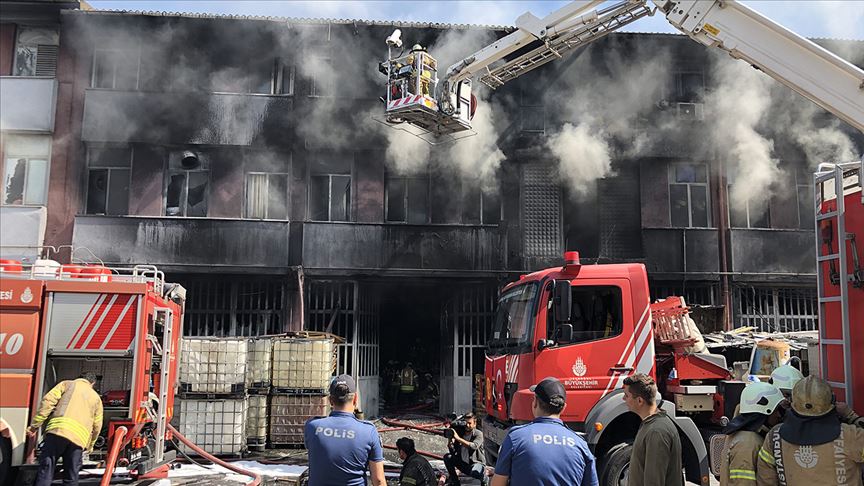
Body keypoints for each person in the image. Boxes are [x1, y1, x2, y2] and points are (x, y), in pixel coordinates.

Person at [756, 376, 864, 486]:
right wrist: (851, 416)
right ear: (832, 401)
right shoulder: (850, 435)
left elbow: (766, 479)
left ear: (792, 403)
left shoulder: (774, 436)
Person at [491, 377, 599, 486]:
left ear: (535, 403)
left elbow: (497, 484)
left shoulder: (516, 437)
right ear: (563, 408)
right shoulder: (581, 445)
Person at [304, 374, 386, 486]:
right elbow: (378, 480)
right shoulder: (368, 431)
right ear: (355, 399)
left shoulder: (312, 427)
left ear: (330, 400)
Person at [28, 372, 103, 486]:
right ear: (92, 383)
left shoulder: (66, 384)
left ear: (78, 378)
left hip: (57, 433)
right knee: (71, 477)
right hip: (78, 440)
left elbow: (47, 403)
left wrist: (35, 426)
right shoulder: (96, 398)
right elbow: (97, 425)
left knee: (46, 471)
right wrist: (90, 445)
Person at [622, 373, 683, 486]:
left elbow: (654, 481)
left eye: (627, 395)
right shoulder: (651, 424)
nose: (623, 399)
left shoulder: (656, 432)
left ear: (640, 401)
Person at [719, 382, 784, 486]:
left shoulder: (745, 436)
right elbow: (743, 482)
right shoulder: (748, 443)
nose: (778, 415)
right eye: (776, 410)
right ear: (765, 410)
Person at [443, 412, 487, 486]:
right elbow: (453, 452)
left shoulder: (478, 434)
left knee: (475, 472)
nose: (467, 425)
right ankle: (455, 482)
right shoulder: (461, 433)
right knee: (447, 457)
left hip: (476, 464)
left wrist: (458, 438)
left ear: (474, 424)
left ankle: (484, 479)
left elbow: (473, 446)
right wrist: (450, 440)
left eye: (470, 423)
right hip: (464, 464)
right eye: (466, 423)